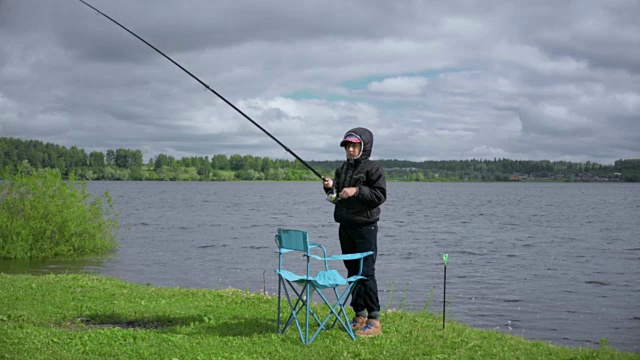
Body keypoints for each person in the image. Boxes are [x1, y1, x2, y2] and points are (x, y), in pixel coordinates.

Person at [322, 127, 387, 336]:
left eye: (354, 146)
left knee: (366, 273)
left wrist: (357, 190)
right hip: (345, 227)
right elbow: (337, 197)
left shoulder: (373, 169)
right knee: (352, 272)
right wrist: (330, 188)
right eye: (348, 146)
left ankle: (374, 320)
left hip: (365, 228)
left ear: (363, 147)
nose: (350, 149)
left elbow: (379, 195)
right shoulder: (342, 170)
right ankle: (359, 315)